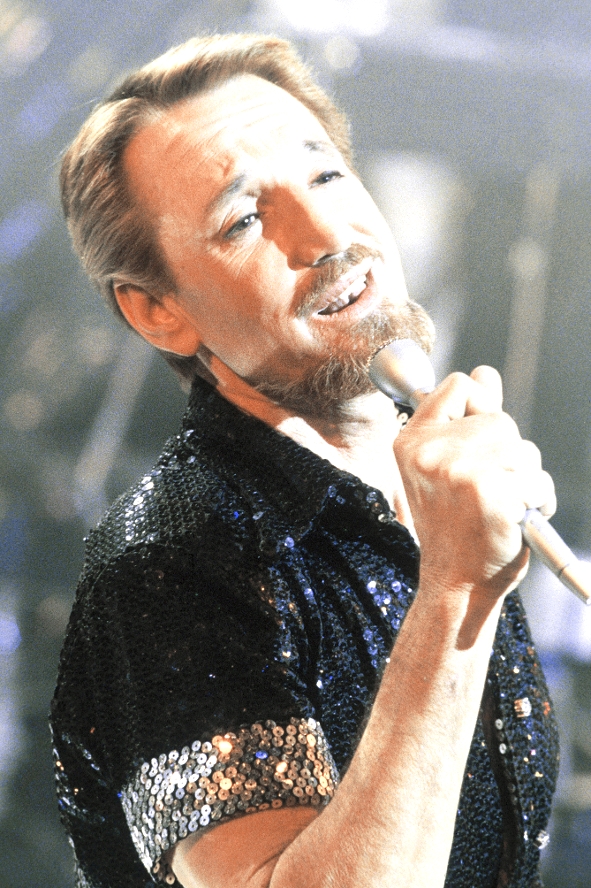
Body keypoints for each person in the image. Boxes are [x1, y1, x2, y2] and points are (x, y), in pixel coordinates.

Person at [51, 33, 559, 888]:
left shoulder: (432, 486)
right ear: (157, 312)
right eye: (244, 220)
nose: (328, 234)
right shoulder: (167, 568)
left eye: (325, 176)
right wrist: (456, 592)